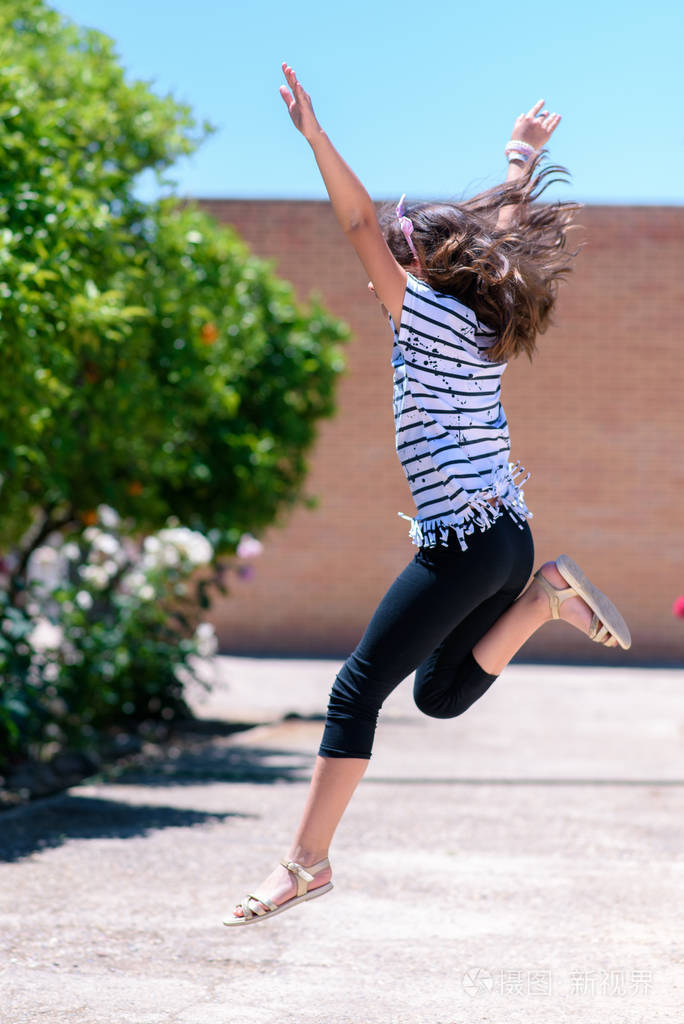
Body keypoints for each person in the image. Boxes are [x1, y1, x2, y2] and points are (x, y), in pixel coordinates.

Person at [224, 64, 631, 926]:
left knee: (354, 692)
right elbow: (504, 234)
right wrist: (519, 156)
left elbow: (355, 220)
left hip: (466, 543)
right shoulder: (484, 316)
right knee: (438, 697)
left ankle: (305, 862)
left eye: (395, 253)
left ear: (418, 262)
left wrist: (316, 138)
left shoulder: (423, 311)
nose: (381, 267)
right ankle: (544, 599)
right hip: (508, 541)